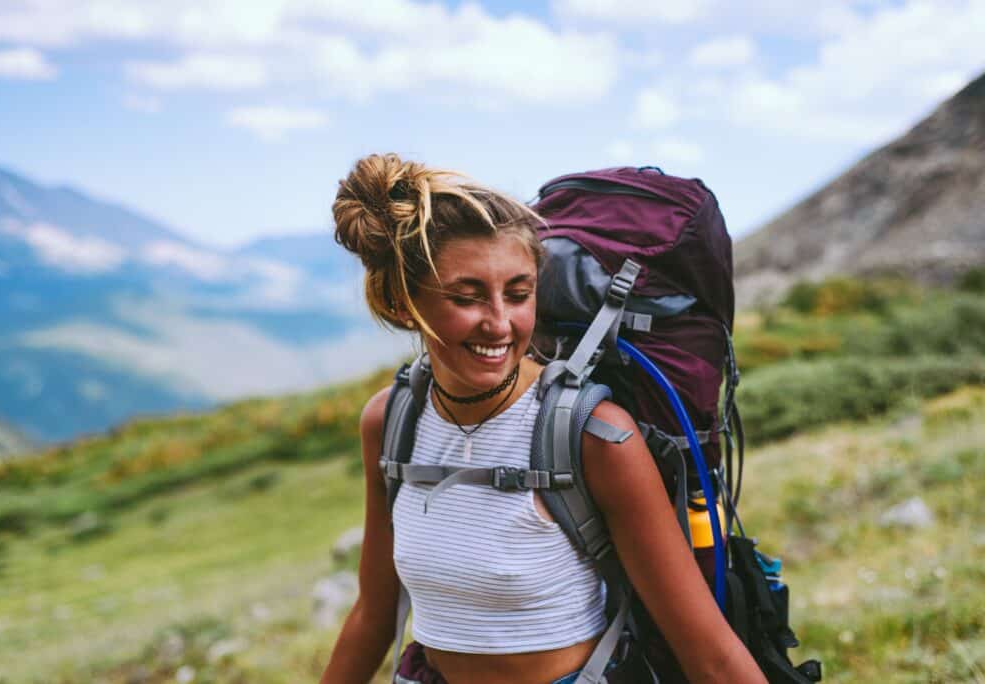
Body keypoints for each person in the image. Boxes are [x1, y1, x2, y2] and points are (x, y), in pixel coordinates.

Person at [320, 153, 766, 684]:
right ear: (400, 302)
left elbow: (710, 654)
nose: (500, 324)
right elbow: (375, 615)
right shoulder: (392, 420)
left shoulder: (595, 437)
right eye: (467, 297)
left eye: (519, 293)